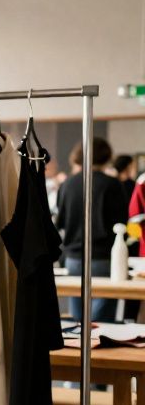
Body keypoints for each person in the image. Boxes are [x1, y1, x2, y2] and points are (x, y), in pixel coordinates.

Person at [57, 137, 128, 322]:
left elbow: (61, 222)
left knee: (78, 321)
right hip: (103, 257)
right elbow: (121, 222)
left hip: (73, 257)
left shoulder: (67, 184)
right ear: (106, 157)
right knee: (101, 322)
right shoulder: (112, 184)